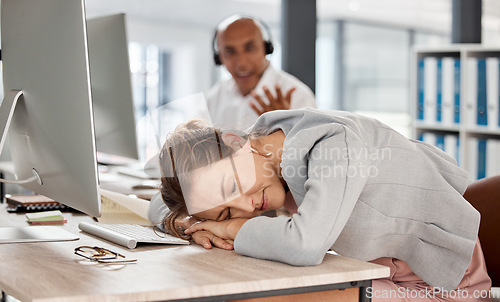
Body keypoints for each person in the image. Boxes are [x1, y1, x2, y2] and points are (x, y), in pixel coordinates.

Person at [153, 108, 491, 301]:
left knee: (291, 296)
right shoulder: (262, 143)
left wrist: (230, 226)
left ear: (235, 142)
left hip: (440, 288)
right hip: (377, 271)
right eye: (227, 210)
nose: (247, 207)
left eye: (234, 186)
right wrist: (192, 225)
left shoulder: (333, 145)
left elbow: (305, 245)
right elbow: (158, 203)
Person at [206, 15, 316, 130]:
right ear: (219, 58)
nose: (241, 63)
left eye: (249, 48)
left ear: (266, 48)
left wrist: (284, 128)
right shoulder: (215, 98)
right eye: (230, 52)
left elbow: (311, 147)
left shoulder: (298, 96)